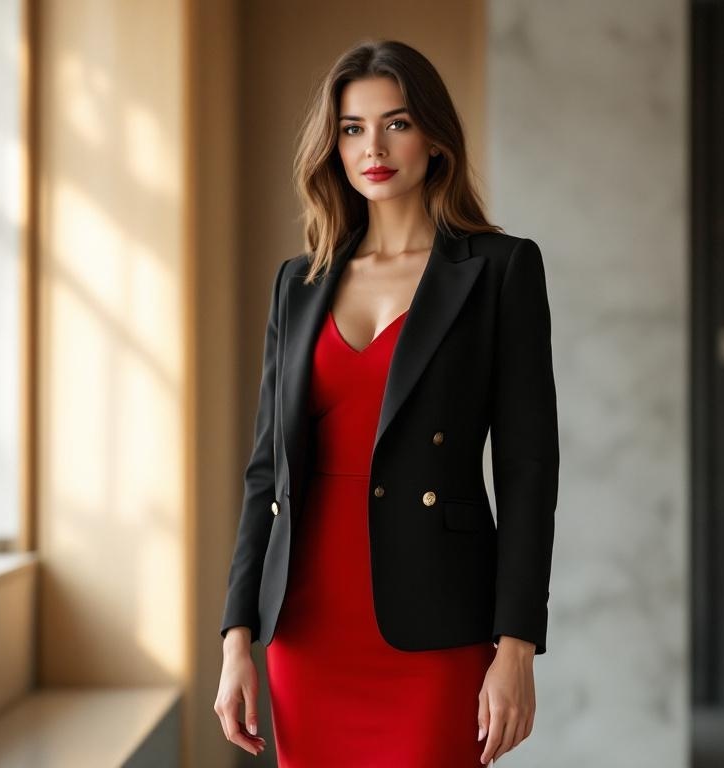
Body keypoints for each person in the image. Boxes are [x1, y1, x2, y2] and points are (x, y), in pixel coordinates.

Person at [214, 38, 559, 767]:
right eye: (352, 128)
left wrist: (517, 645)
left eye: (396, 123)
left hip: (436, 625)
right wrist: (236, 637)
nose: (373, 147)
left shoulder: (500, 270)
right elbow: (265, 474)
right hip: (305, 627)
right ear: (334, 145)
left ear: (434, 137)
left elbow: (528, 472)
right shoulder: (298, 283)